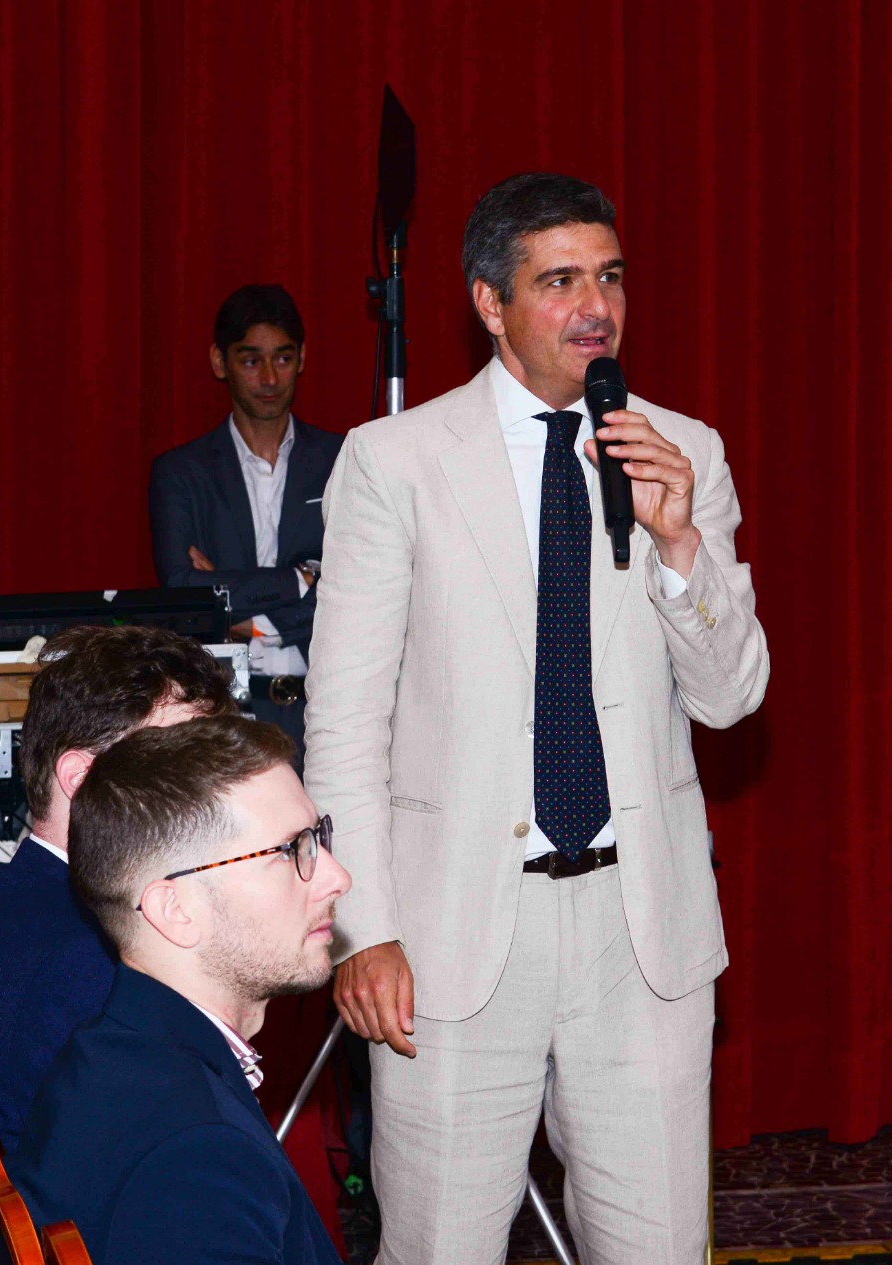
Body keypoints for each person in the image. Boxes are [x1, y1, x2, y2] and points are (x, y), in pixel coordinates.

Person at [304, 172, 771, 1263]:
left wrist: (677, 544)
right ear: (490, 302)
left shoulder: (683, 453)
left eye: (609, 277)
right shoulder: (395, 462)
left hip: (639, 934)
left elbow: (731, 696)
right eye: (559, 282)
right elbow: (345, 720)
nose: (594, 307)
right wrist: (361, 927)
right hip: (451, 937)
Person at [13, 717, 351, 1265]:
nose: (337, 877)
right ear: (176, 911)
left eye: (318, 836)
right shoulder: (197, 1155)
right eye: (291, 851)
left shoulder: (106, 1049)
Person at [0, 624, 236, 1153]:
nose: (215, 796)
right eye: (178, 764)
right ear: (80, 779)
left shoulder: (22, 905)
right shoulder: (89, 965)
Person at [147, 284, 343, 768]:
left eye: (283, 358)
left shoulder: (343, 460)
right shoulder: (181, 473)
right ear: (220, 362)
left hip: (328, 713)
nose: (270, 377)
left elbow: (352, 590)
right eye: (251, 360)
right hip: (217, 715)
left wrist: (237, 610)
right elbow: (184, 593)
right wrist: (300, 580)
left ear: (302, 359)